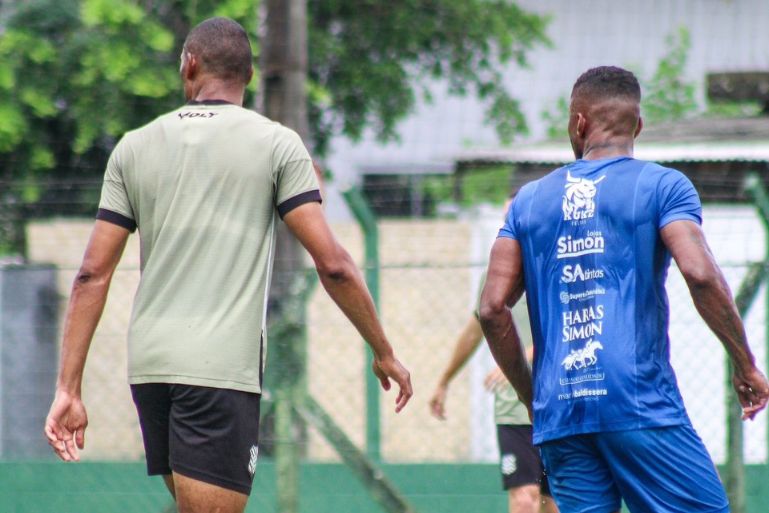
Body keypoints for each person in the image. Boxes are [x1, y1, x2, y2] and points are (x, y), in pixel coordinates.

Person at [44, 17, 412, 513]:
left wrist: (69, 387)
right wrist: (383, 349)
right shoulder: (278, 144)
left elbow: (92, 273)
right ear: (250, 76)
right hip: (218, 372)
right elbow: (334, 266)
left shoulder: (133, 146)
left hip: (150, 369)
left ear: (189, 65)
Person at [479, 65, 769, 513]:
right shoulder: (664, 186)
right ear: (638, 125)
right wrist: (744, 363)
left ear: (578, 122)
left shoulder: (528, 202)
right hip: (639, 402)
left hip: (561, 413)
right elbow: (700, 274)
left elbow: (492, 307)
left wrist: (532, 393)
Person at [429, 203, 558, 513]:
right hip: (513, 408)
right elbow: (476, 330)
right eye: (506, 218)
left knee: (552, 502)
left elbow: (571, 328)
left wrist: (519, 358)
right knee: (524, 496)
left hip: (557, 401)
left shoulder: (557, 267)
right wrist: (444, 381)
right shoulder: (497, 273)